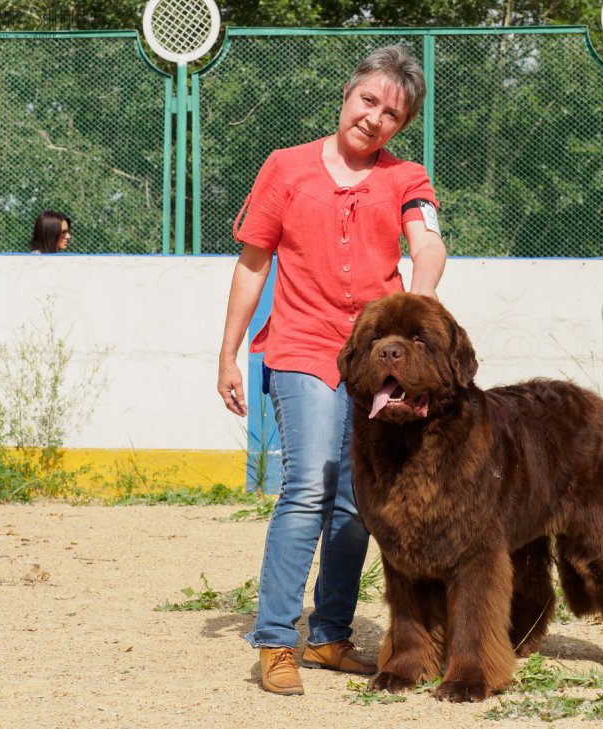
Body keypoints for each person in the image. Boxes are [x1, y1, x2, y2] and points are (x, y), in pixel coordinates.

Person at [217, 45, 447, 696]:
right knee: (311, 485)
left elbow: (427, 243)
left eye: (392, 113)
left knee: (356, 502)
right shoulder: (285, 169)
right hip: (300, 344)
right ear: (347, 96)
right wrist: (229, 353)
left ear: (400, 127)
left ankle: (329, 634)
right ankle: (274, 638)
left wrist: (420, 301)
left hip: (375, 360)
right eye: (368, 100)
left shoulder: (407, 179)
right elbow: (253, 264)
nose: (375, 117)